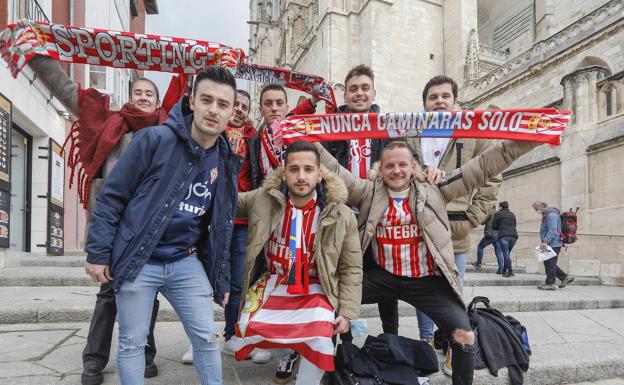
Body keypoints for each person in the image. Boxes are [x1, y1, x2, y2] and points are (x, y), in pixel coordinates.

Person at [316, 138, 539, 385]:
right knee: (329, 304)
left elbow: (483, 165)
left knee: (464, 336)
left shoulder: (437, 189)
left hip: (427, 281)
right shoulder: (367, 191)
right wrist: (306, 141)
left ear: (414, 166)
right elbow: (335, 170)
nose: (396, 171)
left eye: (403, 164)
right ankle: (338, 363)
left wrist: (528, 141)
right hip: (383, 277)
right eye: (390, 166)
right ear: (380, 169)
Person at [17, 40, 174, 383]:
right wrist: (36, 53)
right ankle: (94, 363)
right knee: (107, 296)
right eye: (139, 92)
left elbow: (189, 93)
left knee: (148, 293)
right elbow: (69, 91)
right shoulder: (110, 124)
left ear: (158, 100)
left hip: (151, 228)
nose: (145, 97)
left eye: (151, 93)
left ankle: (145, 357)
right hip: (114, 226)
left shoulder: (168, 130)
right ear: (130, 97)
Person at [84, 66, 240, 385]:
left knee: (207, 340)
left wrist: (221, 279)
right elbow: (112, 197)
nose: (214, 109)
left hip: (184, 260)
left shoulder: (225, 158)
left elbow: (221, 224)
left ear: (230, 112)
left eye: (223, 104)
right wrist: (98, 252)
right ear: (192, 101)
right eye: (207, 99)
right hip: (139, 260)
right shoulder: (154, 139)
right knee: (132, 345)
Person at [381, 75, 502, 376]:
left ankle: (452, 345)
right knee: (424, 285)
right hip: (417, 224)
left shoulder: (472, 131)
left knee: (453, 289)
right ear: (424, 102)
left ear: (454, 100)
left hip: (455, 225)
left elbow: (491, 176)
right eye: (433, 96)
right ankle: (425, 341)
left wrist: (475, 216)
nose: (439, 101)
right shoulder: (411, 133)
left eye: (445, 96)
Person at [235, 141, 362, 385]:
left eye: (308, 169)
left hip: (317, 286)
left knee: (320, 339)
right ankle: (291, 352)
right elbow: (225, 200)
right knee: (246, 327)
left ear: (319, 173)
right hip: (273, 281)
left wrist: (347, 312)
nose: (301, 176)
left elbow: (351, 267)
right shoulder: (263, 200)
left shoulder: (340, 214)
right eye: (294, 169)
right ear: (284, 173)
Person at [181, 90, 258, 364]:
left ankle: (231, 335)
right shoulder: (210, 131)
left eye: (244, 107)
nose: (239, 110)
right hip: (205, 217)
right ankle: (199, 339)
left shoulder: (254, 138)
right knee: (198, 282)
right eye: (234, 104)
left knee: (237, 282)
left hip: (239, 221)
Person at [532, 201, 575, 290]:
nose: (536, 211)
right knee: (548, 262)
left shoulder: (551, 215)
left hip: (553, 243)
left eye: (536, 209)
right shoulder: (547, 214)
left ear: (542, 206)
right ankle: (564, 277)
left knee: (550, 263)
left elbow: (552, 230)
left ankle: (550, 283)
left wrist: (545, 241)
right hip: (551, 242)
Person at [472, 206, 503, 273]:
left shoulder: (490, 211)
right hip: (497, 235)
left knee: (480, 246)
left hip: (490, 234)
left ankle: (478, 264)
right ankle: (501, 268)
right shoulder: (498, 213)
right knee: (498, 252)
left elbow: (483, 222)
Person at [492, 201, 518, 277]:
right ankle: (504, 270)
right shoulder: (512, 214)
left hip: (503, 236)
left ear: (500, 207)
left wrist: (500, 227)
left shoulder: (498, 214)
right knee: (507, 254)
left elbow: (494, 226)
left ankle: (510, 271)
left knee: (506, 253)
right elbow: (515, 224)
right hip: (514, 236)